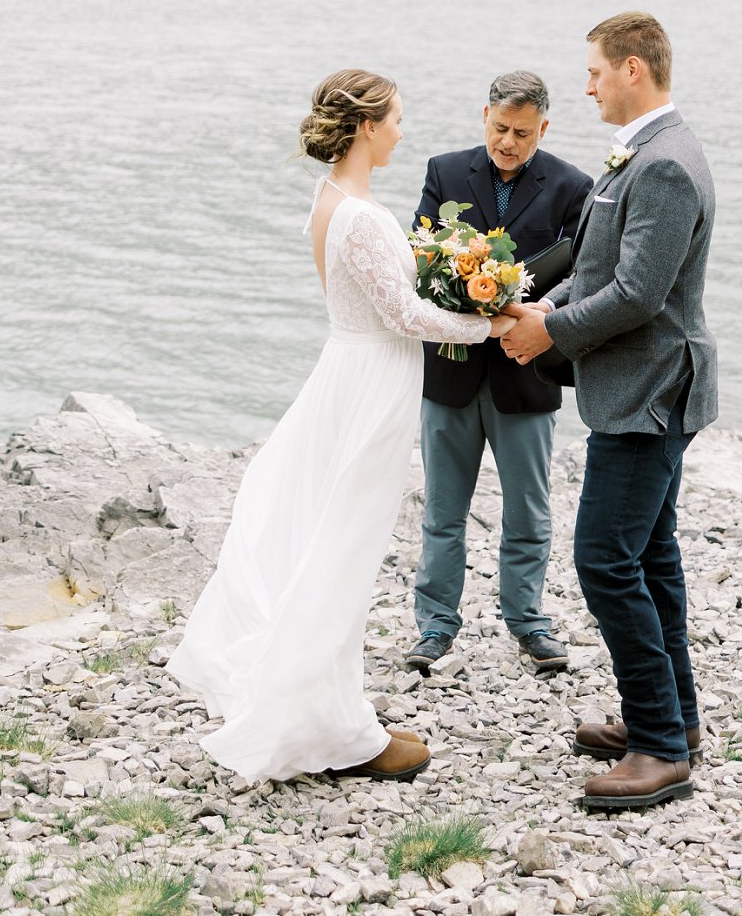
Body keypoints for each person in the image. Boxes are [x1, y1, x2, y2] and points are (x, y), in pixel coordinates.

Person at [167, 70, 515, 785]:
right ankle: (336, 728)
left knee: (333, 540)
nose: (399, 130)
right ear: (364, 127)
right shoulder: (360, 215)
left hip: (350, 374)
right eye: (393, 118)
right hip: (370, 388)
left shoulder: (330, 199)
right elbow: (407, 316)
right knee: (344, 550)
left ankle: (332, 700)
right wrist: (491, 321)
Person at [501, 13, 718, 813]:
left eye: (594, 71)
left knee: (604, 558)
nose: (585, 84)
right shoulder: (647, 149)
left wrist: (547, 331)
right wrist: (529, 303)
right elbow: (598, 263)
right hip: (640, 387)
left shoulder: (663, 164)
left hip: (651, 391)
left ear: (633, 68)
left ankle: (659, 745)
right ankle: (676, 720)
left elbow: (637, 294)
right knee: (650, 554)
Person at [406, 71, 592, 677]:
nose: (507, 143)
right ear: (483, 116)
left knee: (529, 510)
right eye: (498, 129)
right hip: (450, 370)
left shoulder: (573, 185)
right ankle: (434, 625)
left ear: (544, 127)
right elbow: (422, 252)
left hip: (526, 369)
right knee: (442, 509)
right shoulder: (444, 170)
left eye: (521, 133)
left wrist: (544, 309)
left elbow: (581, 273)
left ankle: (528, 620)